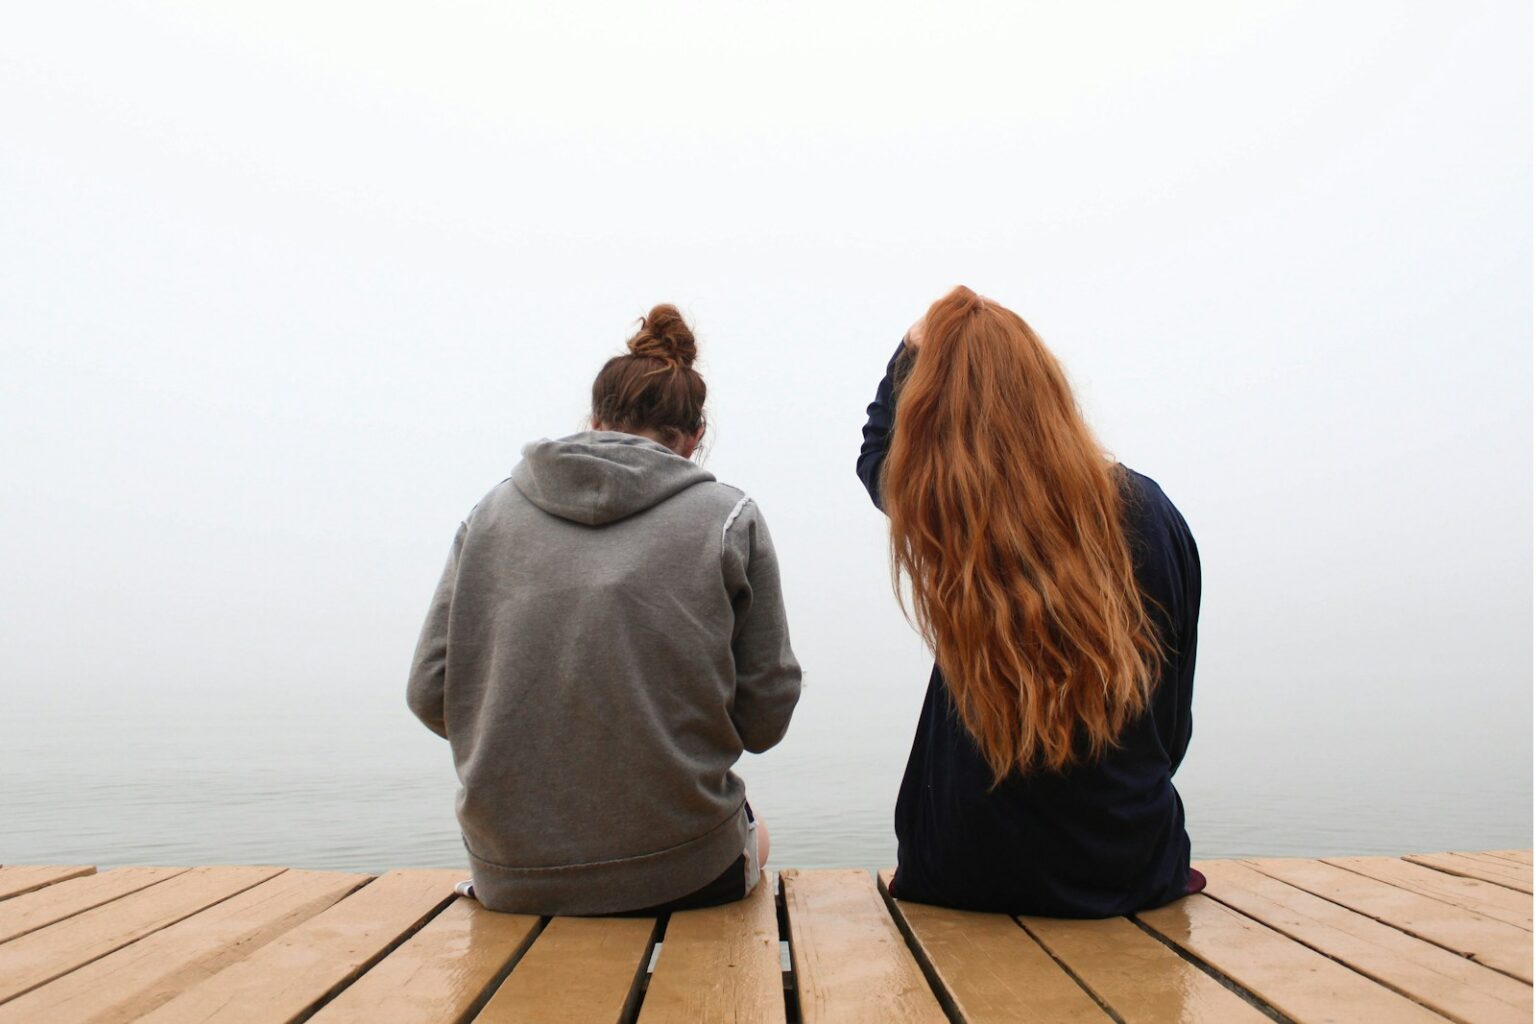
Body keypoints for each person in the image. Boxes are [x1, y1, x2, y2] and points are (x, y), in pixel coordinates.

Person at [408, 304, 801, 916]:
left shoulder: (490, 516)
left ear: (593, 421)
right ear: (695, 437)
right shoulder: (728, 518)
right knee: (758, 832)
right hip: (684, 872)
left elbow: (430, 692)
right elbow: (765, 718)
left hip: (511, 877)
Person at [857, 286, 1202, 916]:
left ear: (932, 414)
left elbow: (876, 453)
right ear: (1049, 392)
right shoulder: (1151, 514)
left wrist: (907, 354)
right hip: (1124, 865)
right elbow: (1170, 726)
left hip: (963, 868)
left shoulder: (949, 516)